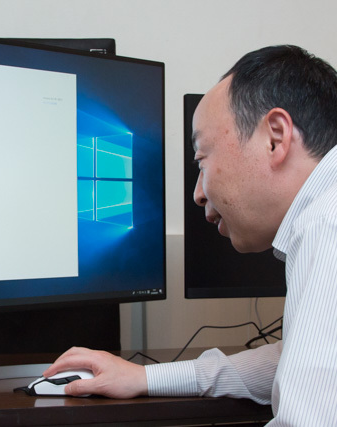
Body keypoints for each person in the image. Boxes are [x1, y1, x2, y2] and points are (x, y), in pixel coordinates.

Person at [44, 45, 337, 425]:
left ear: (275, 138)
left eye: (201, 159)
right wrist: (144, 377)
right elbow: (296, 360)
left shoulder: (326, 223)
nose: (198, 193)